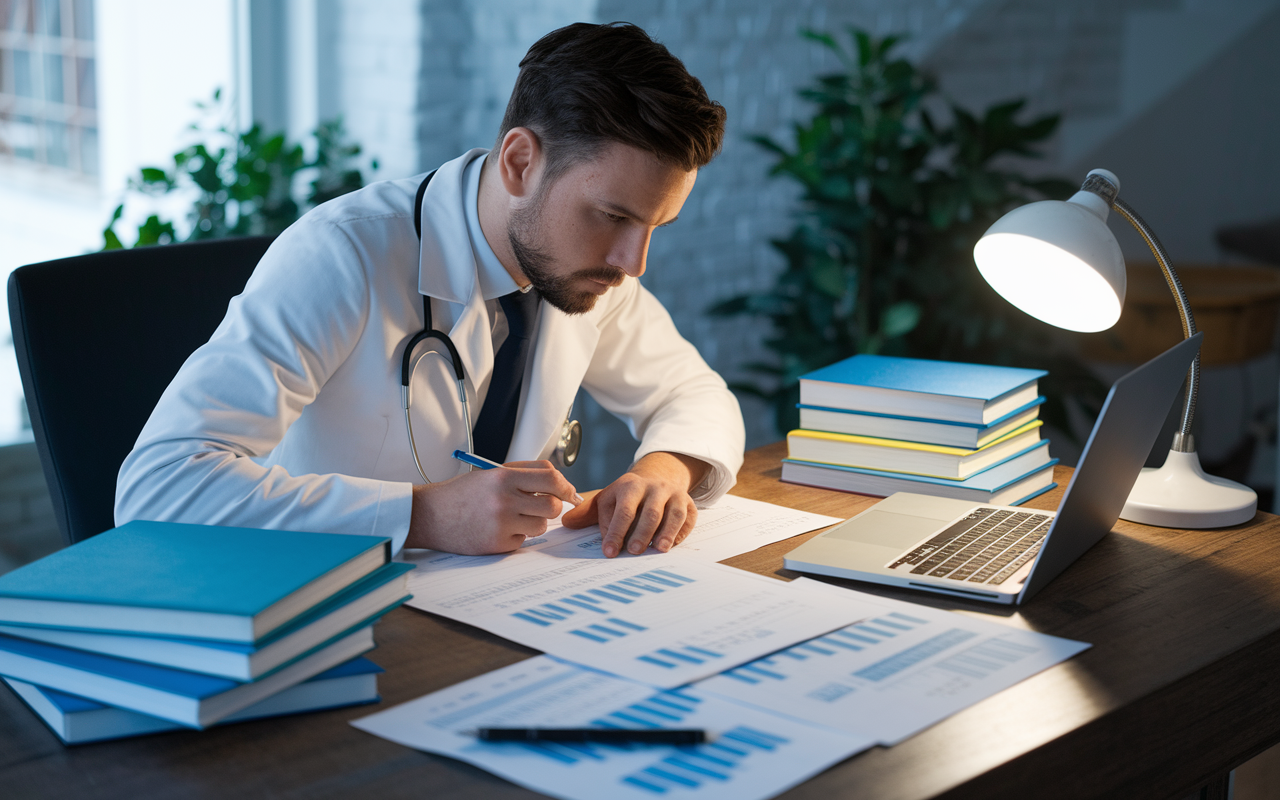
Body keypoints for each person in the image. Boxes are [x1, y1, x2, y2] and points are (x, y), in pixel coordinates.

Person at [115, 22, 745, 559]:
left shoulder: (585, 269)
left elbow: (693, 395)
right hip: (318, 611)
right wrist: (425, 516)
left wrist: (663, 471)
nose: (633, 262)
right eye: (612, 216)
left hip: (483, 612)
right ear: (520, 162)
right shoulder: (344, 254)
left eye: (654, 226)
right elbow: (159, 486)